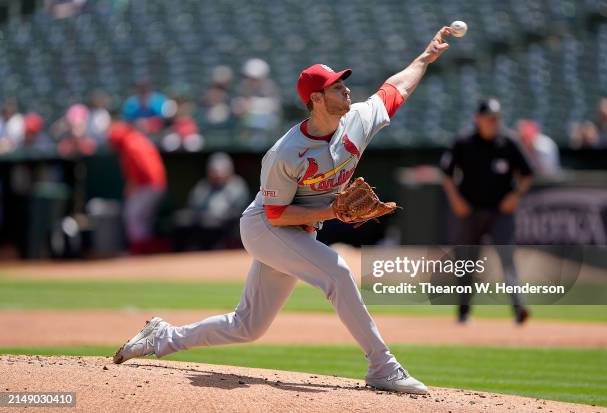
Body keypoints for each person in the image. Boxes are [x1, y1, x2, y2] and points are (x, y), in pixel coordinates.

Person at [114, 27, 453, 394]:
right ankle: (382, 367)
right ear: (317, 99)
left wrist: (425, 57)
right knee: (337, 273)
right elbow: (276, 215)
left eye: (344, 84)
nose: (347, 90)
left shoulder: (357, 119)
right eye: (337, 87)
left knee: (248, 326)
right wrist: (333, 213)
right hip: (266, 227)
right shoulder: (286, 152)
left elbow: (396, 88)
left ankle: (161, 337)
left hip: (298, 231)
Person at [440, 98, 534, 324]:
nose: (493, 122)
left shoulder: (508, 142)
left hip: (500, 212)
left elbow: (527, 173)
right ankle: (463, 312)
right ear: (478, 119)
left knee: (507, 258)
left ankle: (518, 308)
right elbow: (446, 173)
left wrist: (516, 195)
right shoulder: (464, 141)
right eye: (489, 118)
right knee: (467, 262)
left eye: (496, 118)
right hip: (470, 211)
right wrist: (456, 201)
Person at [107, 121, 167, 255]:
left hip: (147, 185)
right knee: (143, 219)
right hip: (155, 184)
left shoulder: (130, 144)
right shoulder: (137, 139)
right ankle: (145, 250)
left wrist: (131, 188)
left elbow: (137, 171)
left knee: (132, 215)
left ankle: (138, 250)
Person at [173, 152, 250, 251]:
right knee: (180, 220)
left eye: (220, 171)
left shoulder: (237, 185)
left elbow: (238, 210)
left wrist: (218, 216)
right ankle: (182, 254)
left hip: (225, 223)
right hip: (201, 221)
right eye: (214, 171)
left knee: (210, 224)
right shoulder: (203, 185)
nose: (217, 175)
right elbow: (193, 205)